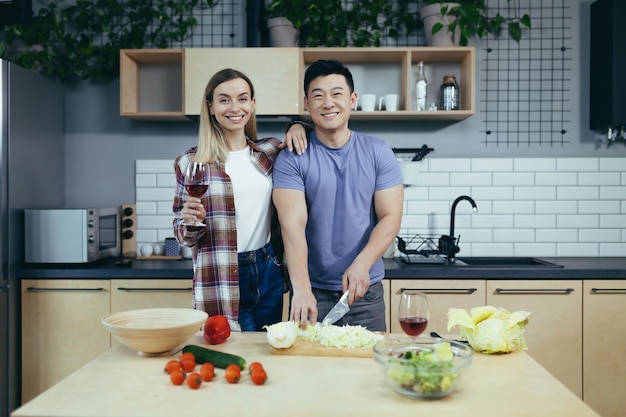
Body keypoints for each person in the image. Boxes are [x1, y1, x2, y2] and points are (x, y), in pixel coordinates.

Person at [272, 59, 404, 332]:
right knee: (311, 370)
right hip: (311, 292)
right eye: (318, 95)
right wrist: (302, 288)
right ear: (307, 103)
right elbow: (292, 225)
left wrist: (362, 265)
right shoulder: (292, 157)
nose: (328, 102)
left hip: (365, 288)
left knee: (368, 369)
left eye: (337, 93)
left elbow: (391, 217)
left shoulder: (378, 151)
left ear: (352, 99)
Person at [172, 68, 307, 332]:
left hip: (268, 269)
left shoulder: (270, 152)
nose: (235, 107)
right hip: (220, 274)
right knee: (231, 355)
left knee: (269, 351)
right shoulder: (190, 162)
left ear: (253, 104)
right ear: (211, 107)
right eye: (224, 100)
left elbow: (314, 137)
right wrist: (190, 222)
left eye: (243, 98)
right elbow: (182, 235)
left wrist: (298, 125)